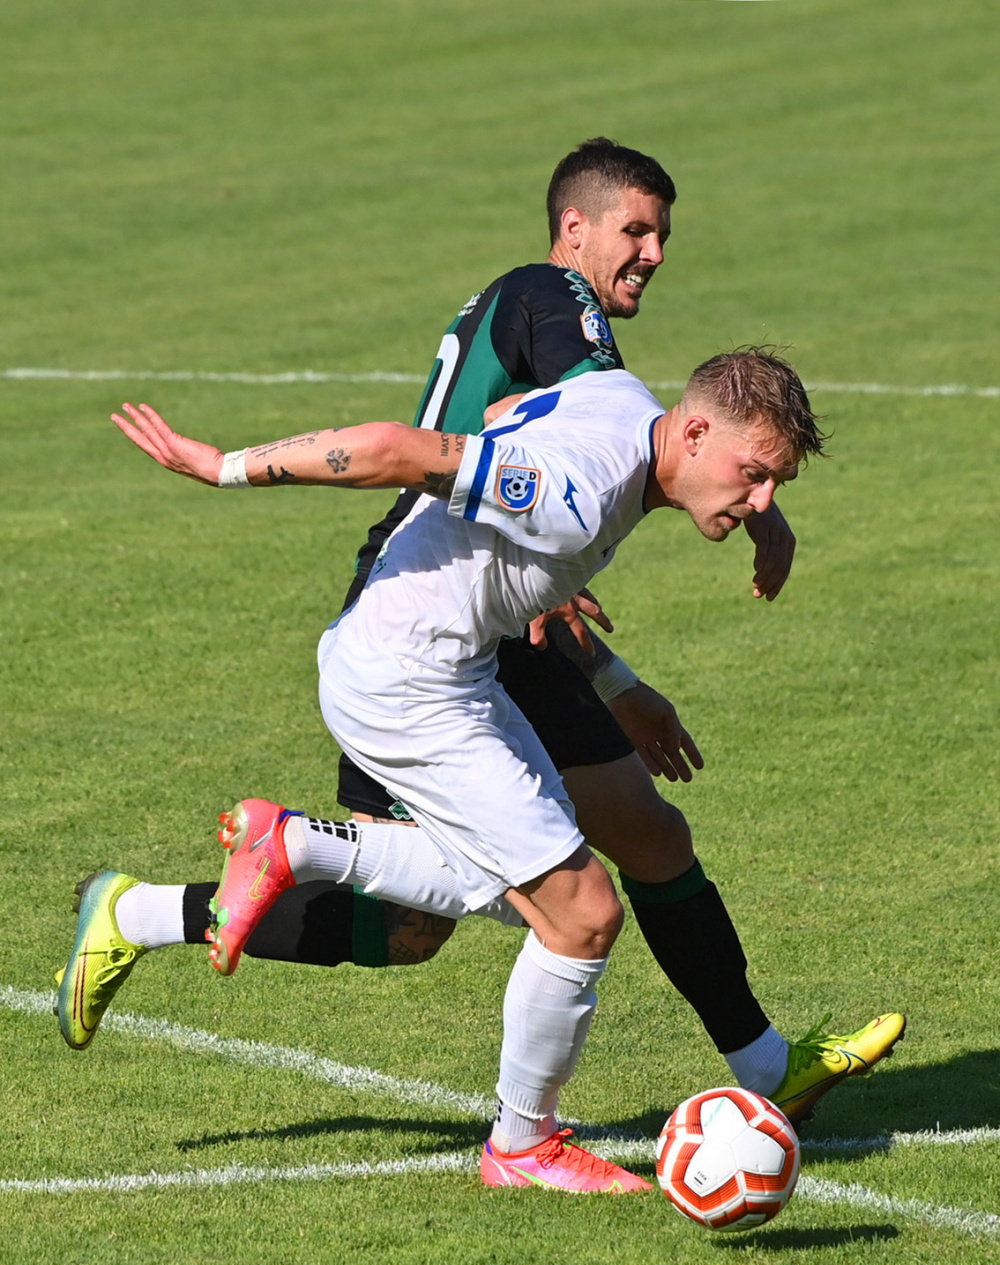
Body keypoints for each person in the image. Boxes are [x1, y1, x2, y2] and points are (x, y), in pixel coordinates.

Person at [57, 141, 903, 1131]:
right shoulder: (555, 301)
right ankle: (168, 906)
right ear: (573, 228)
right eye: (636, 230)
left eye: (663, 234)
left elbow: (547, 423)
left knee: (628, 840)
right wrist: (225, 467)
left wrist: (743, 514)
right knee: (453, 915)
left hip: (484, 617)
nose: (655, 253)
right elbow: (461, 460)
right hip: (426, 619)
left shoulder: (611, 393)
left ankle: (761, 1066)